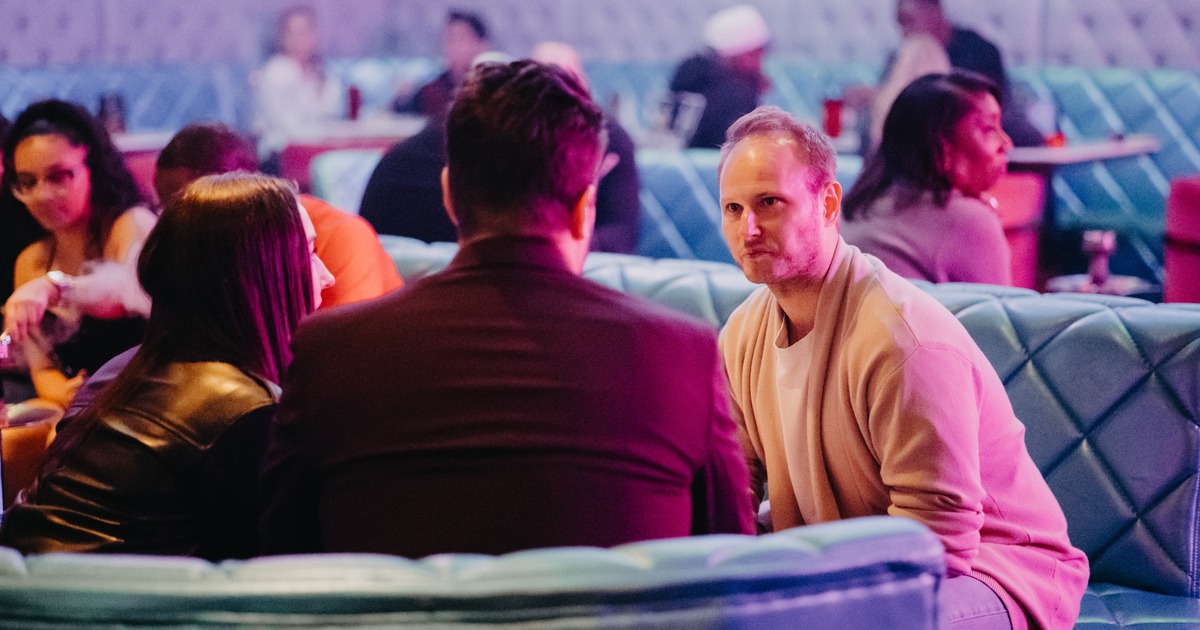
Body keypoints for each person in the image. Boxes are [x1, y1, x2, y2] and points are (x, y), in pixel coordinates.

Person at [261, 60, 754, 557]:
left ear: (450, 195)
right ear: (584, 207)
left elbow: (273, 555)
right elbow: (735, 563)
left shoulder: (330, 349)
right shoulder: (683, 353)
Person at [717, 106, 1088, 629]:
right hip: (860, 571)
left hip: (996, 572)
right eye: (733, 209)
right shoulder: (740, 334)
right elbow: (734, 491)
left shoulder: (902, 340)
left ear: (828, 203)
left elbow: (938, 544)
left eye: (769, 203)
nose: (749, 228)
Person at [0, 173, 334, 560]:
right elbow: (271, 561)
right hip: (103, 595)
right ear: (262, 273)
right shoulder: (245, 410)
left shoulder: (119, 370)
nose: (327, 277)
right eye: (309, 253)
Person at [2, 100, 156, 410]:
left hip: (148, 403)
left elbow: (129, 292)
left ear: (93, 168)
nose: (42, 195)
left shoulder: (130, 224)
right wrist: (67, 394)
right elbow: (43, 370)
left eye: (58, 176)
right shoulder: (31, 261)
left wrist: (54, 287)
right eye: (28, 182)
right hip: (83, 412)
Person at [155, 122, 401, 308]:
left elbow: (348, 348)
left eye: (191, 209)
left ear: (244, 191)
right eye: (165, 210)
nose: (176, 226)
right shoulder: (203, 261)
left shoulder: (339, 236)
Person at [842, 72, 1013, 285]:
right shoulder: (970, 222)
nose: (1006, 143)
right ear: (942, 146)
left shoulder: (854, 206)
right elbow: (999, 307)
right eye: (989, 129)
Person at [894, 0, 1044, 147]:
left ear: (934, 11)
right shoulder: (902, 58)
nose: (904, 31)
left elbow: (987, 109)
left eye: (908, 20)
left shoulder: (979, 52)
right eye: (900, 23)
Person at [667, 4, 771, 149]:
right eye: (758, 52)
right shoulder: (737, 91)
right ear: (743, 53)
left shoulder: (692, 74)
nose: (760, 59)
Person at [254, 5, 342, 172]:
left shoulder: (323, 72)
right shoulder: (276, 71)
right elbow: (288, 128)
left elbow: (333, 114)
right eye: (290, 33)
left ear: (314, 34)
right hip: (281, 159)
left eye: (302, 32)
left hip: (317, 154)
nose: (297, 39)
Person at [391, 10, 489, 117]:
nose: (453, 47)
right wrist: (400, 99)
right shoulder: (431, 92)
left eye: (460, 38)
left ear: (481, 44)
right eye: (449, 40)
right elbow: (400, 115)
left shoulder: (493, 90)